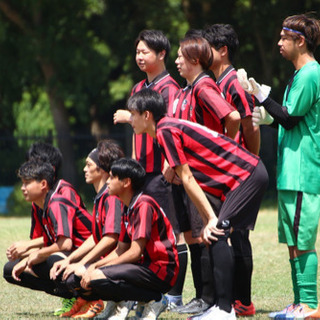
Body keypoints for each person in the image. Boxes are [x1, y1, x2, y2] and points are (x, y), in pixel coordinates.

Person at [127, 89, 268, 320]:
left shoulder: (165, 130)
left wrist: (211, 218)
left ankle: (225, 309)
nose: (130, 120)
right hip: (239, 178)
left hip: (247, 174)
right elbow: (189, 177)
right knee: (211, 232)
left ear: (147, 115)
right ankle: (218, 306)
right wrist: (206, 217)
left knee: (217, 231)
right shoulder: (166, 128)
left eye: (133, 114)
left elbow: (187, 178)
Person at [237, 13, 320, 319]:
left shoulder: (311, 73)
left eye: (284, 38)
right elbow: (288, 119)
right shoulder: (298, 75)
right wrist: (268, 117)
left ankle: (310, 304)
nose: (279, 43)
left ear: (300, 41)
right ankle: (299, 303)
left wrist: (260, 95)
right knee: (292, 241)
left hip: (304, 171)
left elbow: (291, 117)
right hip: (291, 171)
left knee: (302, 240)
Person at [113, 29, 188, 310]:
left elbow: (174, 130)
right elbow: (137, 134)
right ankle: (147, 292)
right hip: (143, 173)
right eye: (137, 52)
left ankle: (174, 296)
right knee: (141, 234)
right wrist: (134, 165)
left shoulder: (171, 89)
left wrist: (171, 164)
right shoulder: (137, 89)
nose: (140, 57)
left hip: (163, 173)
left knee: (172, 234)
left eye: (145, 52)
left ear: (161, 54)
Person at [168, 35, 240, 315]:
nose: (176, 61)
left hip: (206, 176)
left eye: (180, 56)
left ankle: (218, 302)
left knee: (210, 234)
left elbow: (232, 118)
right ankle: (206, 298)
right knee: (199, 235)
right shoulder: (189, 88)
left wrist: (221, 152)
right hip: (193, 174)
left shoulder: (203, 85)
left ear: (195, 61)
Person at [203, 24, 260, 317]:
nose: (201, 53)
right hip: (225, 173)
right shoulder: (215, 82)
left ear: (222, 51)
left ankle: (244, 302)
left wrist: (249, 163)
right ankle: (228, 299)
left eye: (207, 48)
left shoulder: (233, 82)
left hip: (238, 173)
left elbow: (249, 125)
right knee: (229, 233)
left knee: (237, 235)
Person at [77, 158, 179, 320]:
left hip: (160, 270)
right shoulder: (127, 206)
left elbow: (135, 253)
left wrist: (99, 269)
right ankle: (128, 302)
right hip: (142, 267)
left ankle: (156, 299)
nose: (108, 182)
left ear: (126, 182)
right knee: (90, 273)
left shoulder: (143, 205)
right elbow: (120, 249)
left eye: (112, 177)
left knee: (97, 277)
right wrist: (96, 264)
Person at [4, 142, 89, 316]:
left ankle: (86, 296)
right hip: (65, 250)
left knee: (52, 260)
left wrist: (31, 250)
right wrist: (26, 253)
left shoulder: (62, 195)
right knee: (11, 269)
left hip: (83, 254)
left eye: (32, 166)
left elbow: (66, 240)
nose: (23, 185)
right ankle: (72, 296)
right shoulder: (38, 201)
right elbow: (46, 238)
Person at [49, 140, 124, 318]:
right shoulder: (101, 196)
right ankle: (86, 300)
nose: (84, 169)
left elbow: (110, 238)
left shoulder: (112, 197)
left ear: (103, 169)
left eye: (89, 165)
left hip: (119, 263)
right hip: (106, 262)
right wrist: (72, 260)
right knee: (65, 269)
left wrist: (82, 263)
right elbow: (96, 236)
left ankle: (113, 300)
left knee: (72, 276)